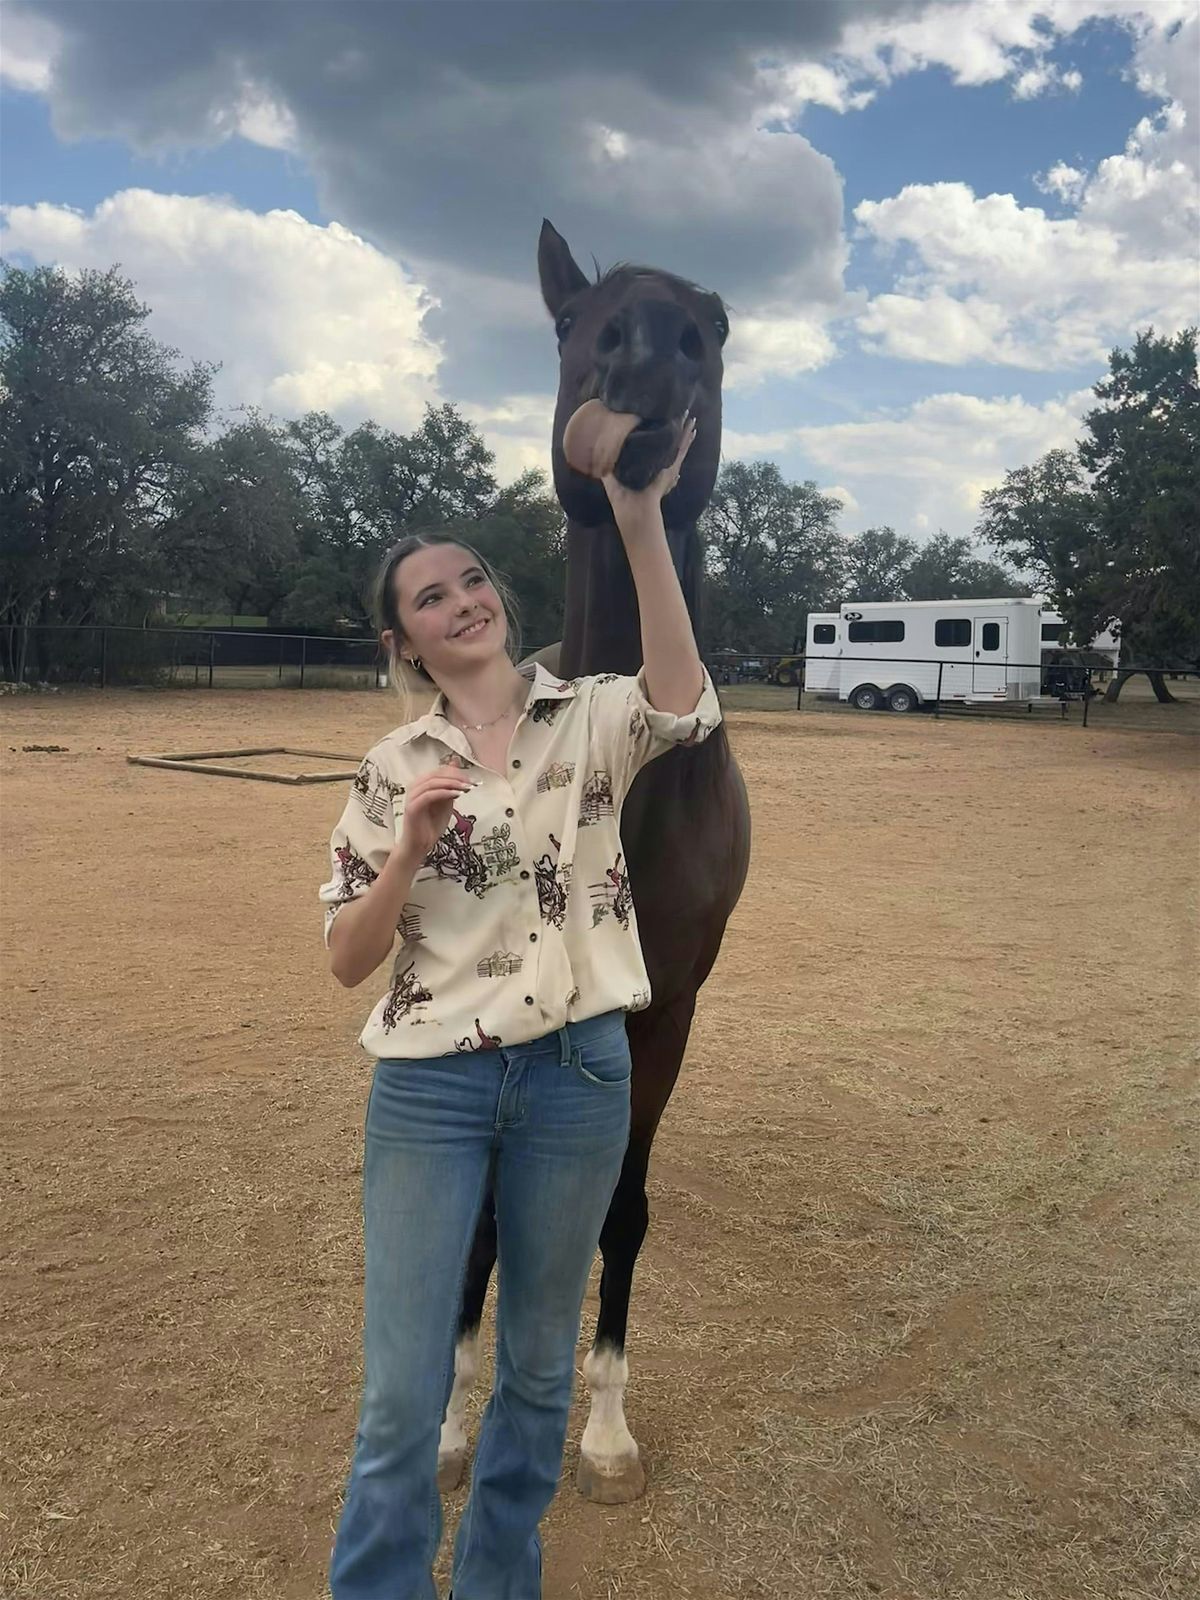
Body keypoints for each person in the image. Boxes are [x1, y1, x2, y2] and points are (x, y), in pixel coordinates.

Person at [318, 415, 721, 1600]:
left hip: (579, 1077)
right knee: (402, 1396)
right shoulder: (391, 767)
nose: (463, 602)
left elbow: (684, 697)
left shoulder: (591, 714)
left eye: (473, 580)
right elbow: (346, 957)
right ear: (404, 640)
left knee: (539, 1377)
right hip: (431, 1089)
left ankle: (500, 1582)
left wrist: (640, 517)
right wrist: (407, 851)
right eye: (431, 597)